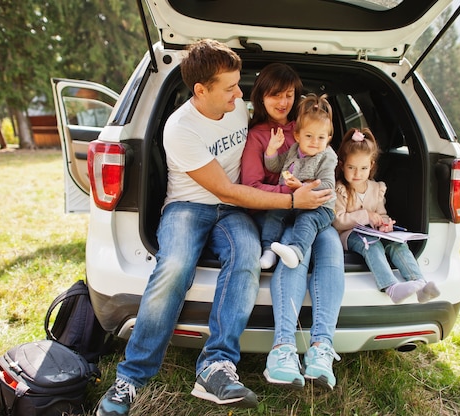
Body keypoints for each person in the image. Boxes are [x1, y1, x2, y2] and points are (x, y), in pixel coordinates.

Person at [96, 41, 332, 416]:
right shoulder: (180, 128)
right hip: (188, 206)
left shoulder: (236, 105)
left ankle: (215, 366)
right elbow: (225, 188)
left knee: (246, 259)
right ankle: (131, 378)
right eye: (230, 88)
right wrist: (291, 202)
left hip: (233, 211)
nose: (241, 95)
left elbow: (268, 158)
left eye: (239, 86)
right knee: (173, 268)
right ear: (201, 91)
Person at [241, 63, 344, 391]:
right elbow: (252, 184)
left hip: (313, 211)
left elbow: (326, 180)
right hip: (281, 210)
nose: (283, 101)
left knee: (329, 246)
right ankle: (283, 347)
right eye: (275, 95)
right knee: (291, 247)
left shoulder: (311, 133)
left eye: (289, 95)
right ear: (261, 97)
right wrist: (291, 196)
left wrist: (309, 197)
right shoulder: (258, 135)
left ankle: (322, 349)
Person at [333, 127, 440, 304]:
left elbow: (381, 214)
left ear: (371, 166)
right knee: (372, 245)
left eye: (363, 168)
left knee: (397, 244)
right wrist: (365, 215)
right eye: (351, 167)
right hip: (350, 235)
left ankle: (420, 283)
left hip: (374, 232)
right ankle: (391, 287)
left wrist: (384, 223)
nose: (357, 173)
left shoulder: (376, 189)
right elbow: (338, 221)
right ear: (342, 165)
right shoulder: (340, 189)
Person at [260, 93, 337, 269]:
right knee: (274, 213)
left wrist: (301, 186)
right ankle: (268, 251)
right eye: (309, 136)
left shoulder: (328, 156)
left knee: (307, 220)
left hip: (320, 207)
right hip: (294, 202)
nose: (315, 142)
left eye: (321, 138)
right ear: (297, 136)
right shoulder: (294, 149)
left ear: (328, 139)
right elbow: (275, 166)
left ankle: (296, 251)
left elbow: (328, 186)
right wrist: (272, 149)